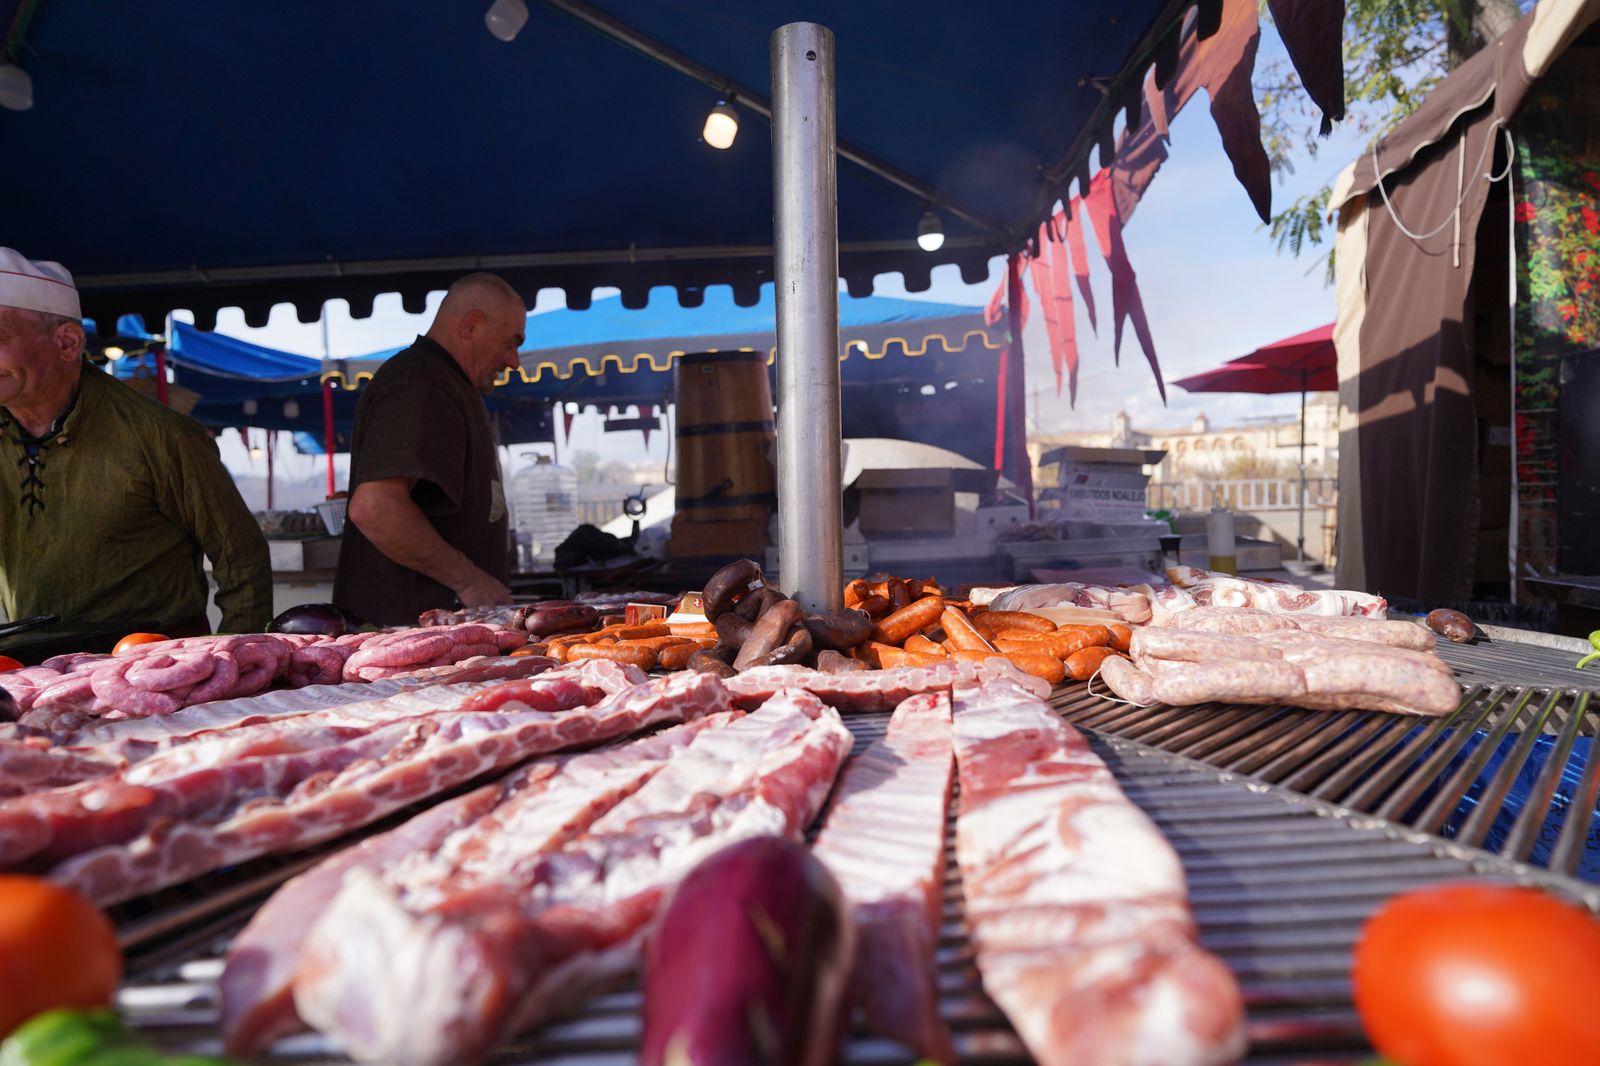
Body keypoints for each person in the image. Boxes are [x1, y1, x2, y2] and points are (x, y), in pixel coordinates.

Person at [0, 248, 272, 652]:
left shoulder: (161, 436)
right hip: (32, 670)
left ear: (67, 342)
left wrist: (232, 665)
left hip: (154, 667)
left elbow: (242, 561)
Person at [333, 273, 524, 625]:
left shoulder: (447, 383)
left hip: (432, 634)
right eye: (510, 344)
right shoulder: (422, 382)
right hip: (405, 637)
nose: (514, 361)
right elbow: (374, 506)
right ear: (471, 325)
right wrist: (468, 580)